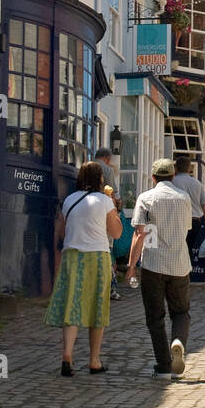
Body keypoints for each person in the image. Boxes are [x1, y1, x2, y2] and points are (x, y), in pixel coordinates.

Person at [46, 160, 123, 375]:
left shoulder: (69, 200)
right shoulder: (104, 201)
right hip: (97, 256)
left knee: (73, 306)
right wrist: (113, 206)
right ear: (100, 179)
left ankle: (67, 357)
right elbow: (116, 233)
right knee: (97, 308)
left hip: (71, 255)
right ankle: (94, 360)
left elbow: (61, 233)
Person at [131, 157, 195, 379]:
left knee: (155, 317)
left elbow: (140, 234)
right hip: (179, 264)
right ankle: (178, 341)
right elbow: (187, 226)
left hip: (153, 265)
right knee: (181, 312)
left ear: (153, 177)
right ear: (173, 176)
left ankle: (164, 366)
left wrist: (131, 267)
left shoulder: (146, 198)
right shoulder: (184, 197)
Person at [172, 152, 205, 265]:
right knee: (189, 248)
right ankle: (186, 275)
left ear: (176, 167)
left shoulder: (172, 182)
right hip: (194, 220)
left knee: (176, 248)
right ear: (189, 168)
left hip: (177, 220)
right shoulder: (197, 183)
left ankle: (176, 273)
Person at [96, 145, 123, 301]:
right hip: (104, 212)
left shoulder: (86, 165)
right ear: (107, 158)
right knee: (108, 250)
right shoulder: (107, 170)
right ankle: (110, 288)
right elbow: (113, 192)